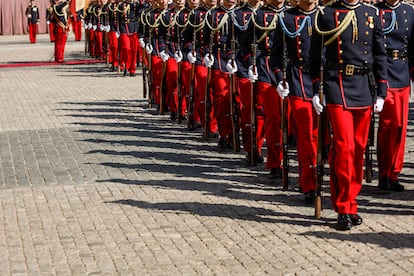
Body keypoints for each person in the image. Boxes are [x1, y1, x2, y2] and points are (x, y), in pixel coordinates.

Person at [309, 0, 388, 230]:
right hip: (337, 86)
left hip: (364, 86)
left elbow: (379, 54)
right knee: (343, 147)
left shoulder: (370, 13)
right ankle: (343, 207)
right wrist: (317, 89)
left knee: (359, 149)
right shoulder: (326, 14)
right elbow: (316, 56)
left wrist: (382, 91)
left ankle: (352, 201)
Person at [272, 0, 318, 199]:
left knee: (324, 137)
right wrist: (279, 80)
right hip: (299, 78)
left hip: (326, 80)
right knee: (307, 134)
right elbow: (275, 56)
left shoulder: (325, 16)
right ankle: (308, 183)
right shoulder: (286, 18)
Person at [375, 0, 414, 192]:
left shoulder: (408, 11)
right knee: (388, 125)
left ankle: (394, 172)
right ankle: (384, 173)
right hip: (384, 70)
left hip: (402, 71)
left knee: (400, 125)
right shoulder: (376, 11)